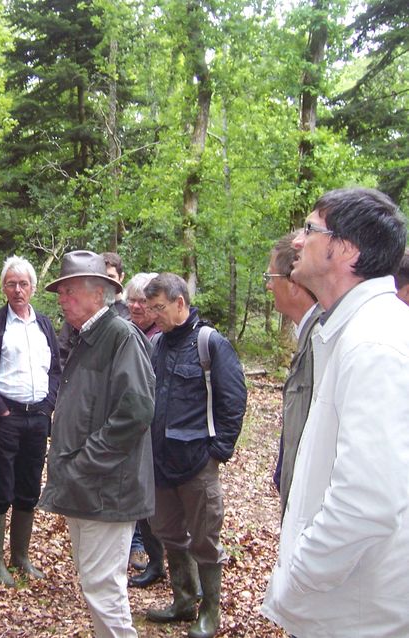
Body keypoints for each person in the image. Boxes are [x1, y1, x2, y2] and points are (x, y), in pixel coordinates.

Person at [261, 188, 409, 637]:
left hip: (358, 612)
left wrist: (302, 575)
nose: (299, 241)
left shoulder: (373, 343)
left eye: (310, 229)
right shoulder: (351, 331)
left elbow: (367, 499)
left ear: (344, 249)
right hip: (346, 602)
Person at [38, 250, 155, 638]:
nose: (61, 299)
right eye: (61, 292)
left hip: (107, 488)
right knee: (97, 585)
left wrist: (83, 462)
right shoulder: (87, 337)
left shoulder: (119, 336)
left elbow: (135, 412)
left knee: (104, 590)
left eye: (69, 291)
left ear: (97, 293)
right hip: (88, 486)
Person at [143, 273, 247, 638]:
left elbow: (233, 400)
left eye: (159, 307)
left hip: (197, 463)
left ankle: (210, 613)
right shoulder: (157, 345)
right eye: (150, 307)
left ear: (180, 303)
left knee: (205, 538)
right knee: (169, 532)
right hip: (160, 462)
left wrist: (216, 452)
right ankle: (183, 600)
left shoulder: (209, 343)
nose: (153, 314)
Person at [0, 256, 60, 587]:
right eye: (11, 284)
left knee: (28, 489)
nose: (17, 289)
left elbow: (56, 371)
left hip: (37, 419)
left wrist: (48, 405)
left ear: (33, 287)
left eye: (23, 284)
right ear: (3, 288)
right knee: (1, 488)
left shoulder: (45, 325)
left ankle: (21, 556)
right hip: (3, 418)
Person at [263, 232, 321, 518]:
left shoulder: (323, 342)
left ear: (294, 283)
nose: (268, 286)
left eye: (271, 276)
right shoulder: (309, 338)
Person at [123, 272, 166, 589]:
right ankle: (151, 558)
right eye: (132, 300)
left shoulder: (161, 336)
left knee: (160, 501)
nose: (136, 306)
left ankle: (162, 561)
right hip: (131, 427)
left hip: (159, 430)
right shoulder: (126, 332)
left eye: (143, 301)